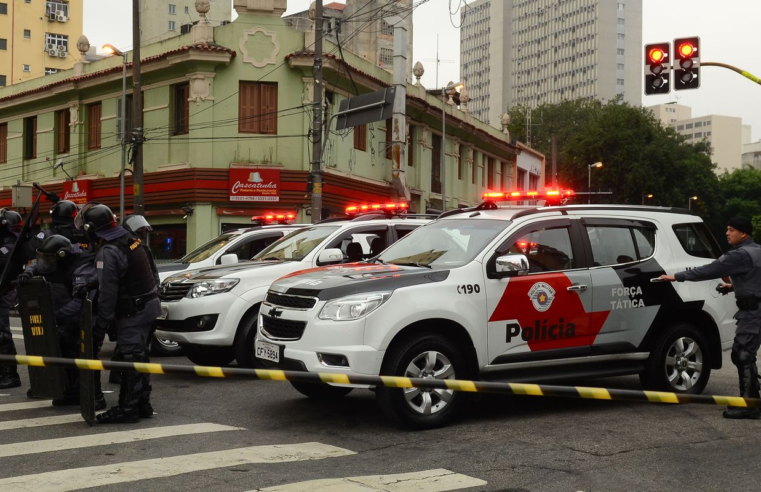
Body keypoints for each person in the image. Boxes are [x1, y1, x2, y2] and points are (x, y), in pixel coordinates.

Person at [658, 216, 761, 419]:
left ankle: (749, 406)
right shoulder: (757, 250)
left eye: (731, 229)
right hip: (756, 308)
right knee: (745, 353)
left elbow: (710, 270)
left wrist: (676, 276)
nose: (727, 233)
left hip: (753, 313)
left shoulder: (738, 255)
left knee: (742, 354)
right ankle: (753, 400)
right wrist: (733, 286)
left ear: (743, 233)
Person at [75, 203, 161, 423]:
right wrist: (94, 281)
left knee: (131, 358)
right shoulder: (133, 241)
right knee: (140, 356)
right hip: (149, 306)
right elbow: (138, 274)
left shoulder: (108, 251)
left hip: (133, 312)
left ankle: (128, 408)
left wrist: (100, 326)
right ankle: (143, 403)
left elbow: (108, 294)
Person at [18, 235, 105, 409]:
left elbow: (79, 303)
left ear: (62, 255)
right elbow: (43, 263)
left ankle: (95, 396)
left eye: (49, 258)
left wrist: (54, 317)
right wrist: (30, 271)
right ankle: (73, 392)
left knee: (86, 352)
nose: (45, 261)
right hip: (79, 313)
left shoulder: (82, 269)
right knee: (66, 346)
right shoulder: (61, 261)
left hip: (95, 313)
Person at [108, 214, 158, 386]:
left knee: (136, 345)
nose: (141, 235)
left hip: (143, 304)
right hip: (134, 304)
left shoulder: (141, 247)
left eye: (143, 231)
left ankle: (127, 381)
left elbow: (152, 274)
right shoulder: (128, 247)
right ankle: (119, 374)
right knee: (129, 345)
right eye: (139, 231)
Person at [0, 209, 23, 389]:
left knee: (2, 334)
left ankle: (9, 374)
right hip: (5, 289)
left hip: (4, 291)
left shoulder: (9, 245)